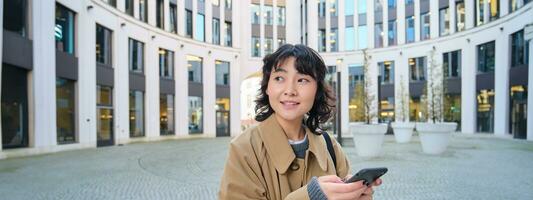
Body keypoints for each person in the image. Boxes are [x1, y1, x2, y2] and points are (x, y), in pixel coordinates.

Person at [219, 44, 382, 200]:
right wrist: (312, 195)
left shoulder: (329, 145)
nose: (290, 90)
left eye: (302, 80)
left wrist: (354, 195)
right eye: (279, 78)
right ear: (267, 87)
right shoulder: (244, 148)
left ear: (317, 89)